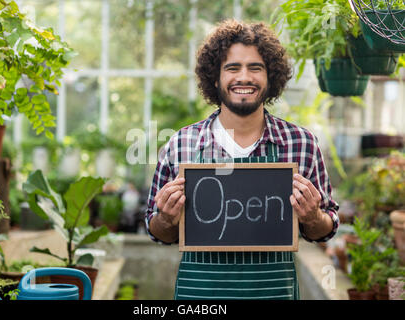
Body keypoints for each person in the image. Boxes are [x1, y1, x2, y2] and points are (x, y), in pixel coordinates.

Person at [145, 19, 339, 300]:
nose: (244, 77)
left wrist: (313, 216)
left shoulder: (302, 143)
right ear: (215, 77)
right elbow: (157, 231)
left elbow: (326, 229)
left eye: (255, 68)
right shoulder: (182, 144)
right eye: (232, 68)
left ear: (270, 77)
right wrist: (165, 218)